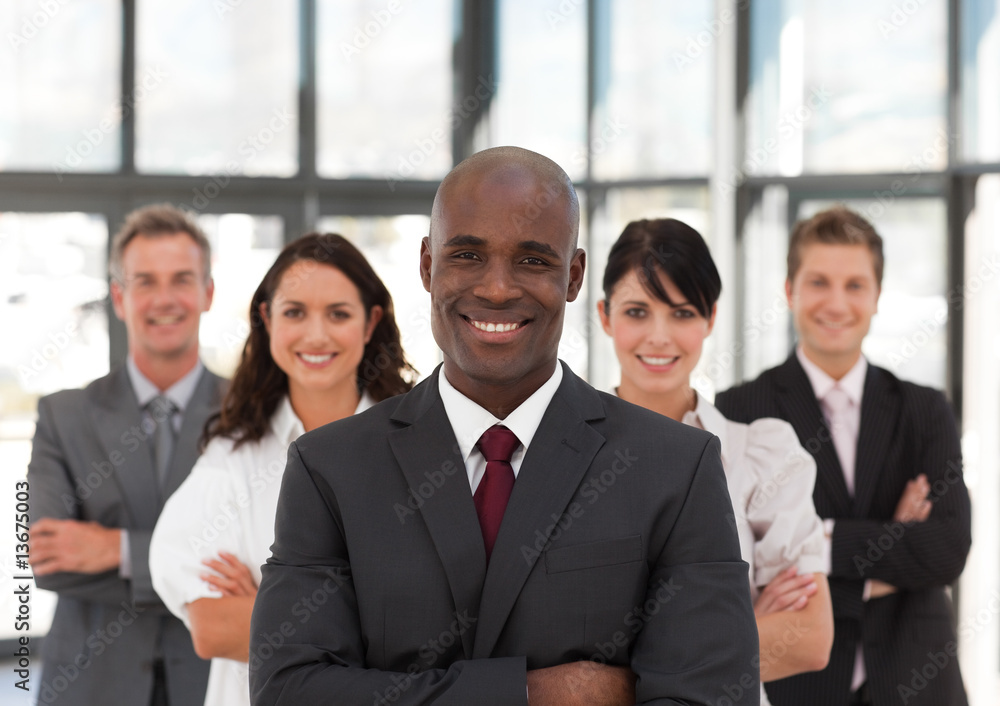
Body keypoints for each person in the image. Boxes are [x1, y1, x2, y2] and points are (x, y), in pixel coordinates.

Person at [248, 146, 759, 706]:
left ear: (574, 275)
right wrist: (532, 693)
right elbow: (289, 692)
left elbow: (708, 698)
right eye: (467, 255)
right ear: (426, 265)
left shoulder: (677, 469)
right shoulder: (330, 469)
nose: (496, 289)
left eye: (533, 261)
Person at [715, 206, 971, 706]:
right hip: (799, 687)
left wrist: (818, 538)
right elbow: (744, 568)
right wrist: (892, 544)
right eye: (819, 282)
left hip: (919, 681)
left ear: (877, 297)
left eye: (855, 285)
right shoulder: (739, 411)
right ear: (790, 291)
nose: (837, 303)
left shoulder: (924, 409)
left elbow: (948, 547)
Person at [149, 233, 415, 706]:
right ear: (267, 319)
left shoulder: (422, 443)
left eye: (338, 313)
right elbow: (212, 630)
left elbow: (443, 626)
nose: (316, 335)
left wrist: (273, 611)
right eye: (294, 312)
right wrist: (373, 624)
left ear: (371, 321)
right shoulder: (232, 458)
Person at [596, 217, 834, 706]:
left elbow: (810, 638)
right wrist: (745, 628)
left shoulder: (761, 456)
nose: (660, 337)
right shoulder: (557, 453)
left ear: (710, 319)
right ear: (604, 316)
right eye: (637, 311)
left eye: (682, 313)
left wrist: (604, 677)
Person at [27, 204, 225, 706]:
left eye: (181, 279)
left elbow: (261, 564)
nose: (164, 299)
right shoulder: (62, 415)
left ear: (207, 293)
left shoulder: (253, 413)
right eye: (145, 281)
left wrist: (115, 551)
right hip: (91, 685)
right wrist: (194, 572)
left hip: (216, 682)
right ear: (119, 296)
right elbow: (49, 561)